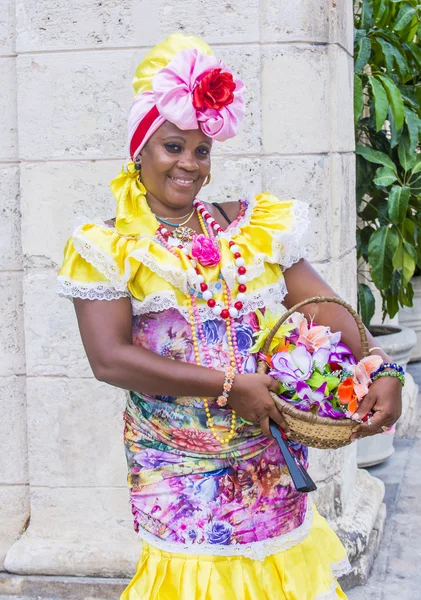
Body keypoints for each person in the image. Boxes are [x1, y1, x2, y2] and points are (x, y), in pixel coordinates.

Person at [57, 33, 402, 600]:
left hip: (269, 455)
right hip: (177, 467)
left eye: (202, 150)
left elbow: (318, 305)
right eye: (172, 147)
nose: (189, 165)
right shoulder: (108, 245)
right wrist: (226, 385)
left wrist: (381, 366)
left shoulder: (248, 224)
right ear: (139, 148)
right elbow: (110, 358)